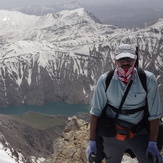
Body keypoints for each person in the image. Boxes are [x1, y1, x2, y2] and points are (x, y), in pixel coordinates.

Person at [86, 44, 163, 163]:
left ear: (135, 60)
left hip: (139, 133)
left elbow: (154, 115)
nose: (125, 62)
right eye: (121, 59)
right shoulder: (105, 80)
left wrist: (152, 143)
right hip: (112, 133)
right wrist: (92, 141)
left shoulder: (147, 79)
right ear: (115, 61)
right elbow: (96, 112)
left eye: (129, 59)